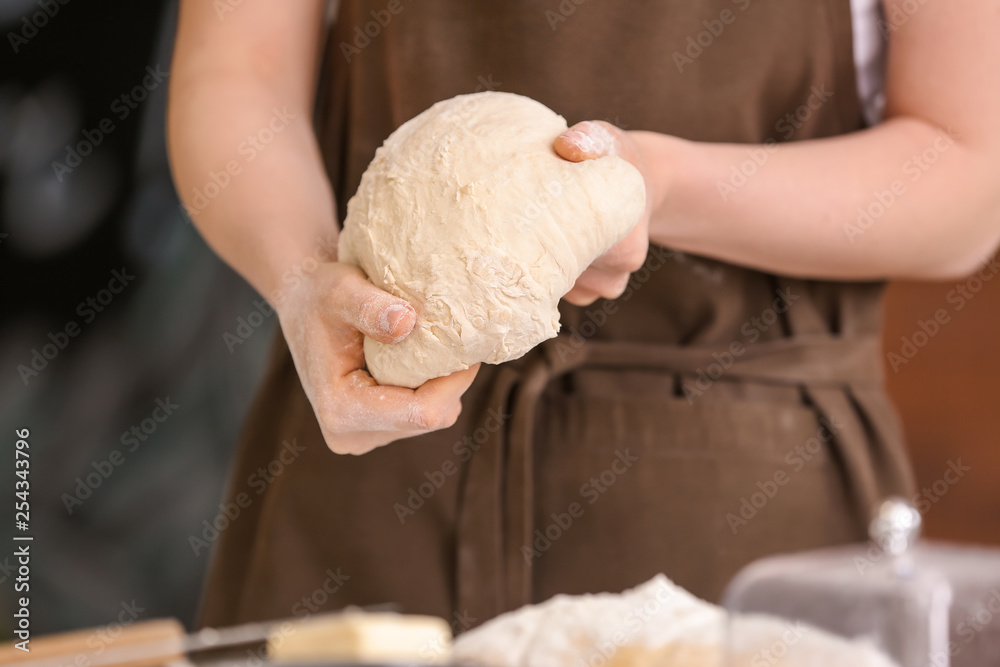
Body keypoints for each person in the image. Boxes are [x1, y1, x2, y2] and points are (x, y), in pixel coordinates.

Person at [167, 0, 1000, 629]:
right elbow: (236, 72)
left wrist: (660, 183)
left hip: (739, 530)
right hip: (367, 486)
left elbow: (970, 168)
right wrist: (305, 275)